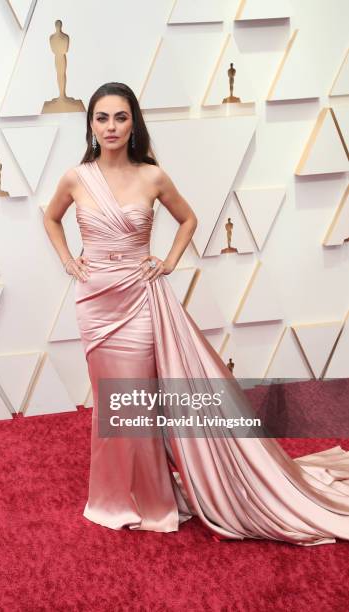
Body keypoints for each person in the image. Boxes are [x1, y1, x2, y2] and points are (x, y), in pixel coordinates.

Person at [43, 82, 349, 546]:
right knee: (110, 401)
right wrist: (69, 259)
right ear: (90, 124)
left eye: (120, 117)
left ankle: (151, 500)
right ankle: (111, 498)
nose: (111, 126)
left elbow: (189, 219)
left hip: (140, 300)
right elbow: (51, 218)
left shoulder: (153, 176)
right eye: (102, 117)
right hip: (95, 302)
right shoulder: (74, 178)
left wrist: (167, 262)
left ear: (133, 123)